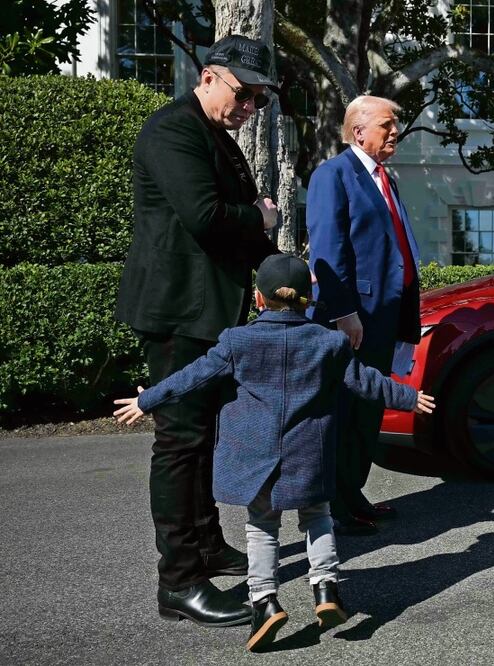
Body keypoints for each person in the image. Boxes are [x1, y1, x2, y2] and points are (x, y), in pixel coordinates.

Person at [113, 254, 436, 652]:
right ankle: (326, 591)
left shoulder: (237, 341)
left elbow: (192, 376)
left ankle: (265, 603)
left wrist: (149, 401)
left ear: (258, 299)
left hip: (257, 458)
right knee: (317, 519)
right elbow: (366, 381)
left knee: (262, 528)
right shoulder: (328, 342)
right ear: (309, 299)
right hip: (309, 454)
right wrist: (409, 397)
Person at [114, 34, 281, 626]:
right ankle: (180, 581)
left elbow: (244, 231)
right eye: (245, 94)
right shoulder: (173, 130)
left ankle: (207, 544)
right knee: (181, 442)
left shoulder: (214, 135)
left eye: (260, 100)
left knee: (205, 436)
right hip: (179, 314)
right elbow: (206, 218)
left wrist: (285, 273)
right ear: (209, 76)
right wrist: (260, 214)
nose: (250, 109)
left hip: (209, 312)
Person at [305, 95, 422, 537]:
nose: (395, 132)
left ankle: (353, 493)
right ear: (359, 131)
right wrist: (344, 312)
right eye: (387, 125)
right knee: (346, 411)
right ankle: (336, 505)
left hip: (386, 315)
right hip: (355, 318)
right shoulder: (332, 175)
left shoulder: (383, 178)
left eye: (396, 125)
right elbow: (327, 251)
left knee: (368, 409)